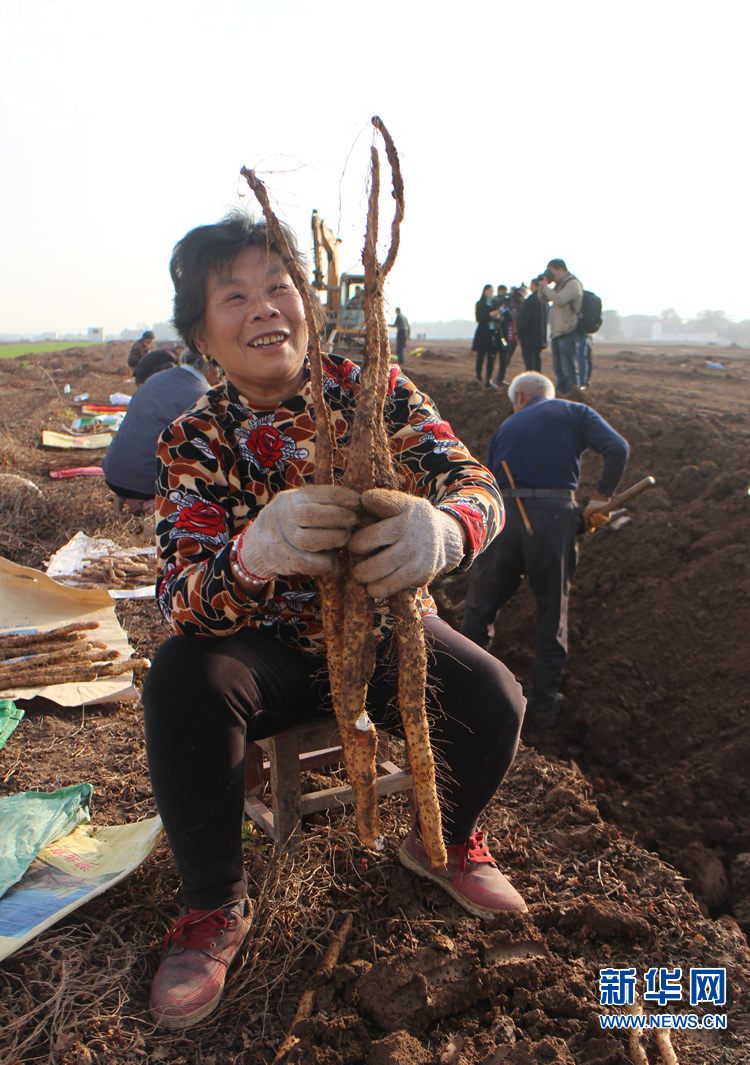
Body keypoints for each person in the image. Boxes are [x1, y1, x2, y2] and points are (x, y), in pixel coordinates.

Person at [142, 211, 527, 1030]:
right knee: (181, 677)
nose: (264, 308)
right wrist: (253, 551)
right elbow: (178, 594)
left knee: (495, 694)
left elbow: (477, 483)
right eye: (235, 295)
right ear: (203, 336)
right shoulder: (197, 438)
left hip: (389, 637)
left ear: (310, 305)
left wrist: (447, 530)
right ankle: (214, 905)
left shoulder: (374, 390)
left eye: (279, 286)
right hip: (265, 651)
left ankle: (442, 840)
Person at [461, 371, 629, 727]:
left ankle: (467, 696)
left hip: (504, 519)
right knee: (552, 615)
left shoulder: (506, 428)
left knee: (480, 609)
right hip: (554, 521)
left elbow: (488, 486)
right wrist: (600, 500)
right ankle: (544, 709)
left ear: (520, 397)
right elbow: (618, 448)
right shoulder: (575, 412)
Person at [102, 350, 221, 514]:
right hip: (146, 482)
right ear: (210, 369)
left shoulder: (156, 378)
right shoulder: (201, 394)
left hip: (114, 473)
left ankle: (141, 501)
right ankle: (154, 504)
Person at [537, 259, 583, 394]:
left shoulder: (572, 284)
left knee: (568, 370)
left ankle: (572, 397)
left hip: (568, 332)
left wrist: (546, 287)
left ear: (561, 269)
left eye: (552, 272)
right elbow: (543, 299)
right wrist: (542, 286)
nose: (552, 275)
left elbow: (560, 299)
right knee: (559, 370)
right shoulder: (559, 285)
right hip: (557, 332)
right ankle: (562, 396)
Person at [516, 277, 549, 373]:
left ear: (534, 285)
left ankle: (531, 382)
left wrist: (520, 332)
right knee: (537, 360)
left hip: (529, 337)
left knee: (529, 363)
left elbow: (526, 318)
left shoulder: (531, 299)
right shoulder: (544, 301)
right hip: (540, 337)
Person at [472, 284, 498, 387]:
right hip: (483, 332)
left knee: (492, 356)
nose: (491, 292)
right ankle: (478, 376)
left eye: (492, 290)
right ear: (485, 291)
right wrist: (490, 315)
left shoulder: (495, 303)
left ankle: (488, 378)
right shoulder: (480, 304)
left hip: (493, 332)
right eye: (489, 290)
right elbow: (479, 318)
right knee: (481, 355)